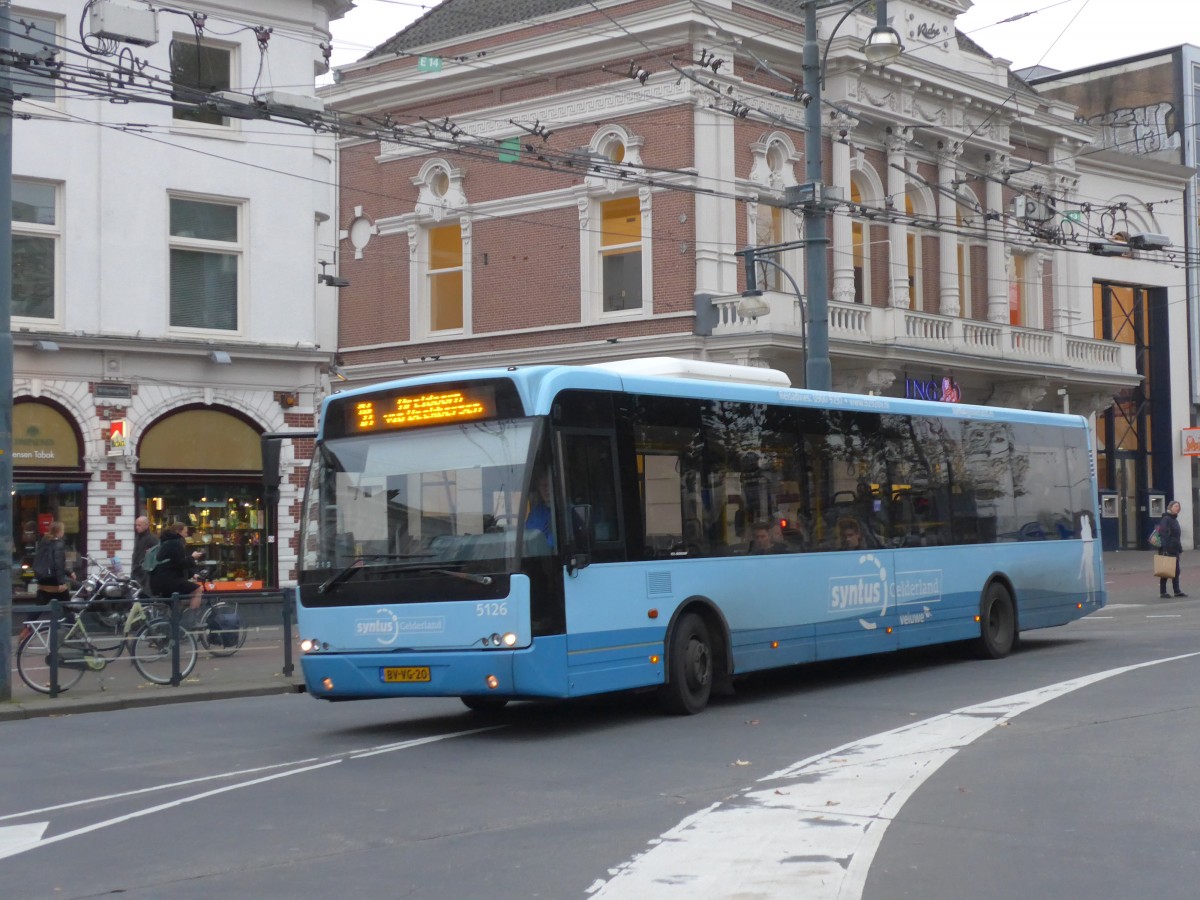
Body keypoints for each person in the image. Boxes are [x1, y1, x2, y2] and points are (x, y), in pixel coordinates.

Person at [149, 520, 204, 623]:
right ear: (179, 531)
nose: (186, 534)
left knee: (176, 606)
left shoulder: (165, 542)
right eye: (185, 532)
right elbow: (180, 564)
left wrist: (192, 574)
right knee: (198, 590)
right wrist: (193, 557)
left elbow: (172, 563)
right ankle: (190, 621)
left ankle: (174, 630)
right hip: (169, 581)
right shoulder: (176, 543)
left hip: (158, 581)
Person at [33, 520, 72, 605]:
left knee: (39, 606)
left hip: (43, 578)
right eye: (63, 530)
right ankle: (70, 618)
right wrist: (61, 582)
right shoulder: (58, 544)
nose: (63, 532)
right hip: (54, 580)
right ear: (59, 531)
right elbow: (58, 564)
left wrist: (68, 573)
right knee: (67, 605)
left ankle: (30, 619)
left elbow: (48, 562)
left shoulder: (44, 542)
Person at [1156, 500, 1186, 599]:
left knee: (1176, 570)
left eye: (1178, 506)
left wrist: (1180, 549)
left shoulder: (1175, 520)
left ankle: (1177, 590)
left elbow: (1177, 536)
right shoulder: (1166, 519)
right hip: (1167, 549)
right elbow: (1163, 534)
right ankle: (1163, 592)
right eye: (1175, 506)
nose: (1178, 508)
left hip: (1175, 548)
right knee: (1165, 570)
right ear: (1170, 507)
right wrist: (1165, 549)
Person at [524, 470, 555, 550]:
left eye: (550, 485)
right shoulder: (536, 512)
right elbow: (527, 538)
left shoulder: (568, 510)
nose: (547, 490)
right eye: (544, 486)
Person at [131, 515, 159, 592]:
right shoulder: (138, 537)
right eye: (136, 525)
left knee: (143, 592)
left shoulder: (152, 539)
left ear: (146, 525)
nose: (137, 527)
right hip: (137, 570)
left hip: (145, 572)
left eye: (139, 525)